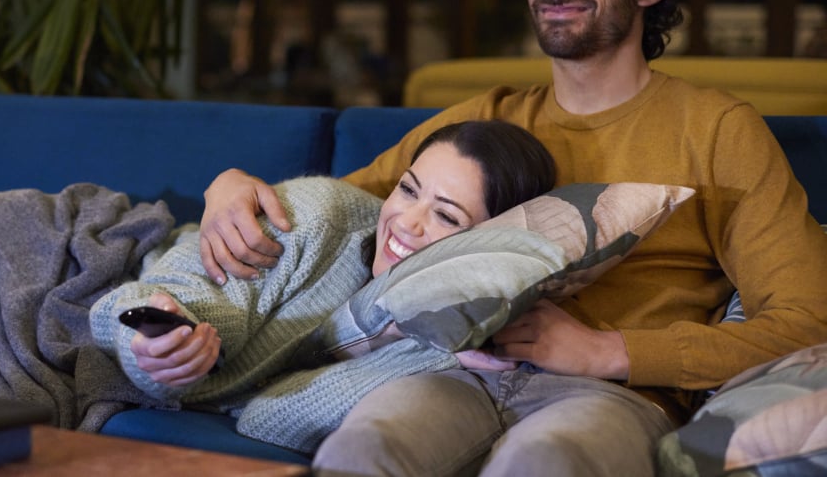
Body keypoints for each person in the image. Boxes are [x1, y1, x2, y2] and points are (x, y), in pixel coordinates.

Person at [196, 0, 827, 476]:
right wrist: (232, 186)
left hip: (612, 395)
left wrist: (611, 353)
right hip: (454, 376)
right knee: (364, 446)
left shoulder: (717, 130)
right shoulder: (490, 117)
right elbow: (346, 208)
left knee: (545, 461)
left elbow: (806, 323)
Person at [90, 120, 556, 452]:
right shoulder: (315, 217)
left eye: (447, 216)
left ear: (489, 248)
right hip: (96, 257)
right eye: (409, 190)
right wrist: (152, 346)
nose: (407, 224)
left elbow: (271, 418)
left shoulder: (450, 338)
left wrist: (433, 346)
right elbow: (145, 300)